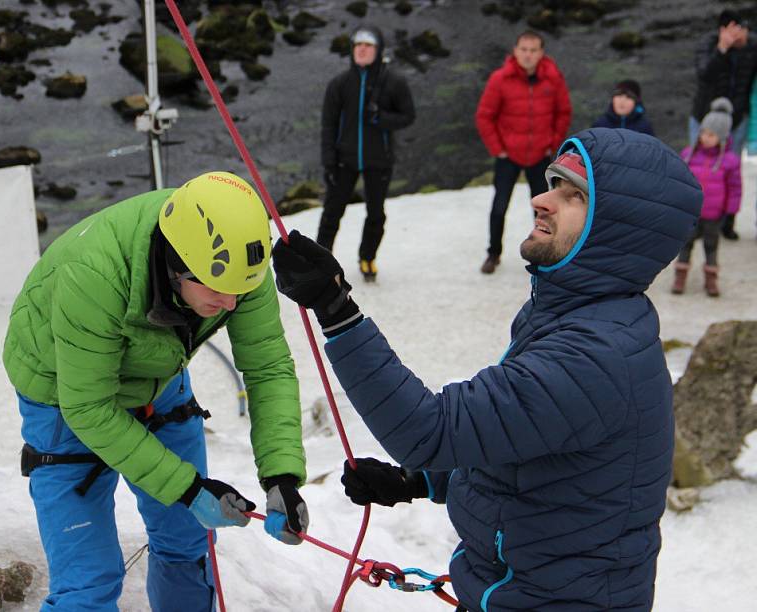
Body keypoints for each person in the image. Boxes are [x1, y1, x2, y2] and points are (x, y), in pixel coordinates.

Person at [272, 128, 702, 611]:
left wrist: (336, 309)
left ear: (618, 229)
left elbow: (429, 430)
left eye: (573, 195)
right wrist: (420, 482)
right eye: (552, 183)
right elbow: (528, 452)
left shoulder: (594, 357)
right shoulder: (579, 315)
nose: (541, 199)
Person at [3, 172, 309, 611]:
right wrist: (187, 488)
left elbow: (268, 368)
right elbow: (87, 408)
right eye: (218, 291)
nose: (232, 305)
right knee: (88, 584)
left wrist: (281, 477)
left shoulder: (239, 265)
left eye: (241, 291)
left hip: (156, 376)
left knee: (186, 543)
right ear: (177, 263)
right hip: (63, 391)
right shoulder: (94, 275)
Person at [316, 24, 415, 282]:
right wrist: (328, 161)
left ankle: (367, 257)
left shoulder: (393, 82)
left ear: (378, 50)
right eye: (358, 44)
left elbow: (408, 116)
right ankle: (321, 261)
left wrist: (381, 118)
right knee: (332, 212)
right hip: (343, 160)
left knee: (375, 213)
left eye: (368, 45)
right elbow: (328, 124)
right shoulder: (339, 84)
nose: (362, 49)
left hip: (378, 159)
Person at [475, 30, 572, 274]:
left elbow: (564, 112)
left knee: (543, 209)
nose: (528, 55)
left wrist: (553, 144)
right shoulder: (500, 79)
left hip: (540, 153)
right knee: (499, 206)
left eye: (533, 50)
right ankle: (493, 253)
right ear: (515, 51)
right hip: (509, 154)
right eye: (524, 50)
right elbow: (485, 116)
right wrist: (498, 149)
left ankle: (544, 253)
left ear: (541, 53)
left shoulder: (553, 78)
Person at [689, 8, 757, 240]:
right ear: (722, 31)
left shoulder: (752, 46)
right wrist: (722, 49)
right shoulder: (708, 45)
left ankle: (727, 221)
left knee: (731, 169)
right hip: (703, 117)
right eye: (735, 31)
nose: (741, 36)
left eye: (744, 30)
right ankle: (694, 220)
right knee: (697, 168)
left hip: (736, 120)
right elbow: (704, 73)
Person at [674, 98, 742, 296]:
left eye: (711, 134)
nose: (705, 137)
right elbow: (680, 180)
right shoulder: (689, 155)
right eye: (703, 132)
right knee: (685, 244)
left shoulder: (730, 161)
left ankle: (711, 279)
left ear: (721, 137)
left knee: (711, 246)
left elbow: (735, 187)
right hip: (691, 213)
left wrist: (731, 210)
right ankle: (680, 276)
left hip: (714, 214)